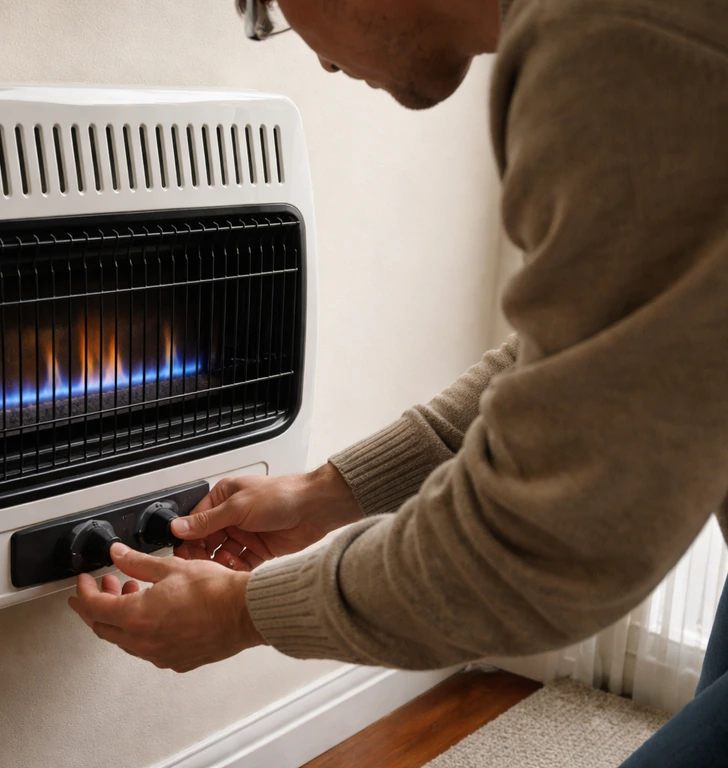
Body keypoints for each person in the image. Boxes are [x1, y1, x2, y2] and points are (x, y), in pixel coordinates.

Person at [68, 0, 728, 763]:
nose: (313, 56)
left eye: (271, 5)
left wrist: (247, 614)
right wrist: (326, 490)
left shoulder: (618, 44)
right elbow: (593, 350)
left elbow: (540, 543)